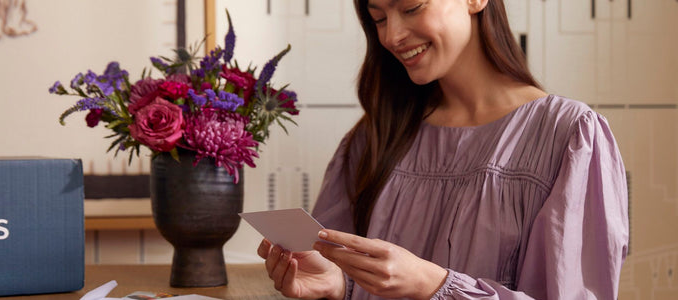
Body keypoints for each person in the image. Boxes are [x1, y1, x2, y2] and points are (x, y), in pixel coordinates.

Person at [257, 0, 629, 299]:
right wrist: (336, 285)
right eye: (379, 18)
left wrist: (434, 285)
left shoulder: (570, 137)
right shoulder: (375, 137)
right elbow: (346, 271)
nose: (392, 35)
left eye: (411, 8)